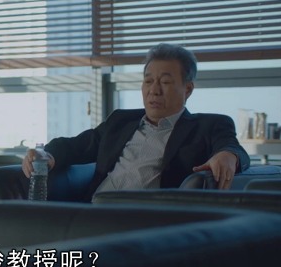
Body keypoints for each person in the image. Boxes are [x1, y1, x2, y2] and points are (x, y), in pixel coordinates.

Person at [21, 43, 250, 201]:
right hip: (93, 211)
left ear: (188, 89)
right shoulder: (121, 121)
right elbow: (76, 145)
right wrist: (45, 154)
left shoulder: (208, 126)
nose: (154, 90)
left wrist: (228, 155)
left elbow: (231, 147)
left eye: (165, 82)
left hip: (144, 221)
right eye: (148, 81)